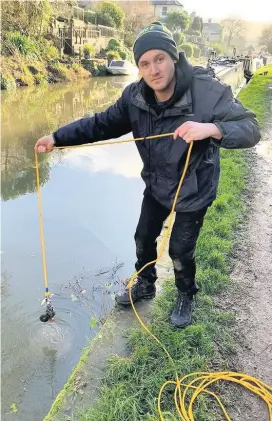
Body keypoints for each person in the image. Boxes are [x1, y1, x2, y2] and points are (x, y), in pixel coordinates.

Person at [35, 22, 261, 328]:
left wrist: (212, 129)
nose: (154, 70)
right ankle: (145, 284)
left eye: (159, 59)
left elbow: (250, 129)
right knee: (143, 237)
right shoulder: (134, 98)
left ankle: (186, 293)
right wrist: (57, 138)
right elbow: (100, 124)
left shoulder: (207, 92)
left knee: (180, 250)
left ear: (173, 58)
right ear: (139, 68)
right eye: (144, 63)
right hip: (156, 184)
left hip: (194, 187)